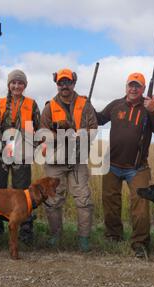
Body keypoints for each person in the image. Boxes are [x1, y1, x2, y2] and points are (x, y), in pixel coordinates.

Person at [96, 73, 154, 258]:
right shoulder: (116, 104)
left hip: (137, 167)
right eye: (130, 85)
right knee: (110, 202)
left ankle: (140, 243)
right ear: (126, 87)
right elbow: (100, 118)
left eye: (137, 86)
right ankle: (113, 236)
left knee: (140, 206)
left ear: (143, 89)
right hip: (112, 164)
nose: (133, 89)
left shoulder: (148, 107)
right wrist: (85, 106)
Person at [40, 68, 98, 252]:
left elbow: (93, 129)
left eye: (68, 82)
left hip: (77, 160)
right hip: (55, 161)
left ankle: (84, 239)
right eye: (61, 82)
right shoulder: (49, 106)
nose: (64, 86)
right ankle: (56, 236)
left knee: (83, 199)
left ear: (74, 83)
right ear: (56, 84)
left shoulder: (85, 104)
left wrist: (78, 136)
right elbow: (42, 131)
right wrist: (60, 135)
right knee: (53, 200)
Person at [0, 69, 41, 245]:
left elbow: (39, 129)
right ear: (9, 85)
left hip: (21, 152)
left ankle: (25, 231)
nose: (17, 86)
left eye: (20, 83)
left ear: (25, 85)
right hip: (0, 151)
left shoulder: (32, 104)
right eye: (13, 82)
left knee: (23, 192)